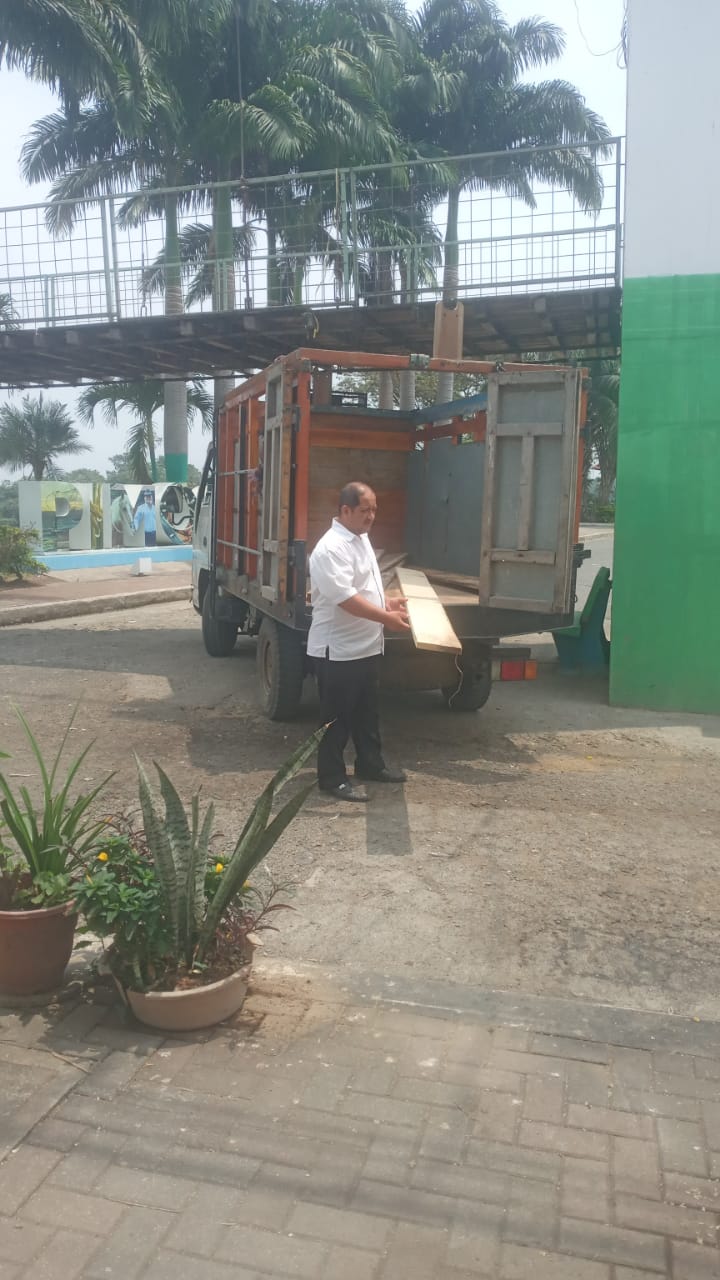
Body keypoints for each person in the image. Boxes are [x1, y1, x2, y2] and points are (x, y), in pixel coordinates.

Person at [307, 481, 411, 802]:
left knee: (367, 714)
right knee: (336, 720)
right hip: (338, 650)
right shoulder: (330, 548)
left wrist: (387, 604)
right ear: (345, 510)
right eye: (365, 510)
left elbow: (364, 587)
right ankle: (331, 778)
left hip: (365, 646)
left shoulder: (361, 538)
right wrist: (387, 619)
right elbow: (346, 600)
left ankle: (370, 765)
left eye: (374, 510)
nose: (371, 516)